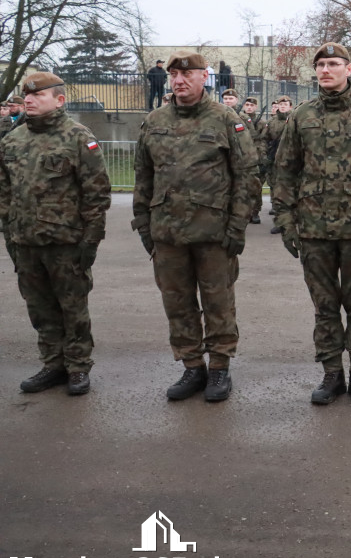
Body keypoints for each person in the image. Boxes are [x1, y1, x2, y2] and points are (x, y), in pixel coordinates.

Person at [273, 42, 351, 407]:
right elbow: (284, 170)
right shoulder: (302, 116)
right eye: (321, 65)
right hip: (313, 230)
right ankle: (331, 374)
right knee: (325, 308)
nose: (326, 70)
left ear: (349, 69)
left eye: (334, 64)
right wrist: (285, 219)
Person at [132, 50, 260, 402]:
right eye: (174, 75)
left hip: (214, 232)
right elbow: (143, 176)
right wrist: (143, 223)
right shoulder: (154, 120)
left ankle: (219, 368)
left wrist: (237, 226)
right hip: (167, 232)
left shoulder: (225, 119)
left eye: (187, 75)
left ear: (205, 77)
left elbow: (246, 176)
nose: (179, 81)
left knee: (219, 301)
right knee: (177, 302)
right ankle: (192, 366)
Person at [0, 72, 111, 396]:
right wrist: (8, 231)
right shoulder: (12, 140)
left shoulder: (78, 137)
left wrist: (91, 239)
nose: (30, 99)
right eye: (27, 95)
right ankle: (52, 364)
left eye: (38, 95)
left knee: (72, 306)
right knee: (39, 307)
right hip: (25, 241)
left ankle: (77, 367)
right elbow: (4, 190)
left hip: (65, 242)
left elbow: (96, 193)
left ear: (59, 100)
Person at [264, 95, 292, 233]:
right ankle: (280, 222)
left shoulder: (295, 120)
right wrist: (265, 155)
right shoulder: (272, 122)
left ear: (290, 107)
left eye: (285, 104)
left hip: (291, 161)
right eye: (280, 104)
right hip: (275, 160)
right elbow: (265, 139)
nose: (282, 106)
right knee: (276, 191)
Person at [238, 96, 268, 225]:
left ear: (255, 107)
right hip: (242, 157)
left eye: (252, 106)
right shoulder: (238, 119)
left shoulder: (261, 122)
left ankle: (255, 212)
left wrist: (261, 156)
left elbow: (263, 140)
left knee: (257, 187)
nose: (249, 108)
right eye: (247, 105)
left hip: (257, 157)